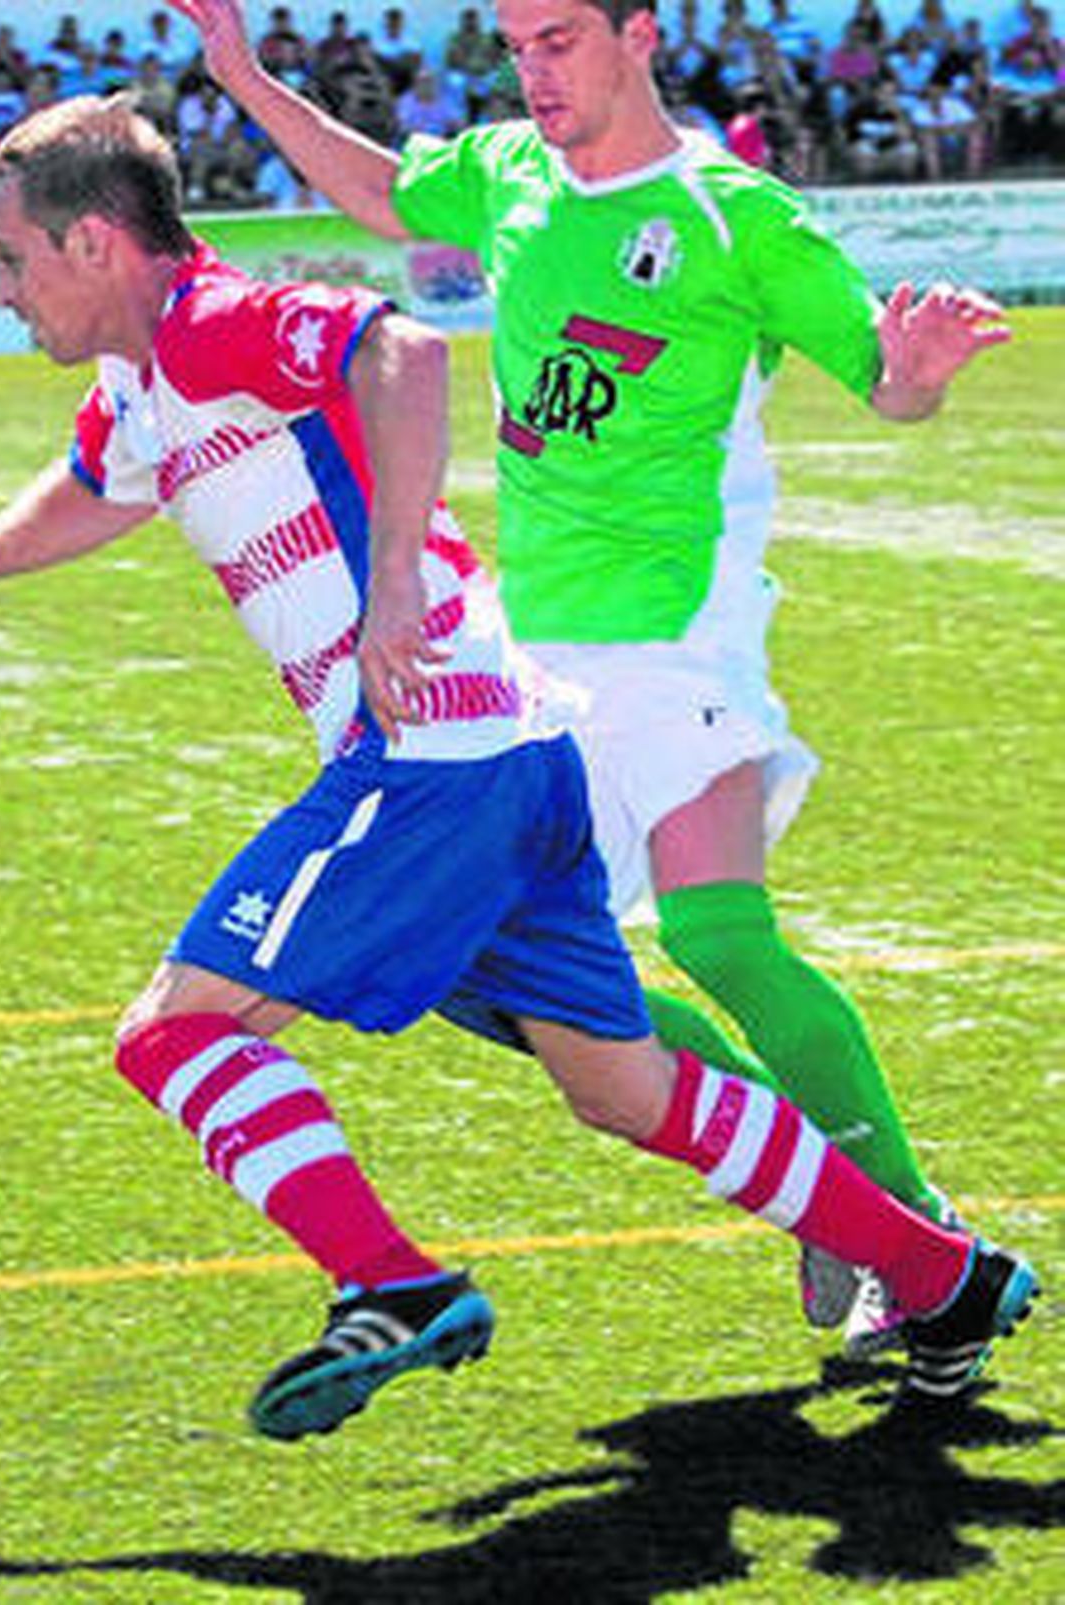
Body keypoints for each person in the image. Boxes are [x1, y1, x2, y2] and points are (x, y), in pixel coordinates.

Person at [0, 95, 1037, 1439]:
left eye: (10, 258)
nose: (1, 291)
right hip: (512, 754)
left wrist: (394, 572)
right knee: (622, 1087)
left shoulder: (217, 323)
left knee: (176, 1033)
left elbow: (396, 351)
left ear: (98, 243)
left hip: (430, 760)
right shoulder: (143, 384)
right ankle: (945, 1276)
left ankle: (390, 1282)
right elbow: (98, 483)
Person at [167, 0, 1019, 1353]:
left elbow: (884, 376)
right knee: (511, 983)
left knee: (718, 934)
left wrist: (915, 375)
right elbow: (389, 194)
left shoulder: (738, 219)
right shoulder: (510, 175)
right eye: (515, 45)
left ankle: (913, 1235)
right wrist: (247, 78)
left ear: (639, 32)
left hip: (682, 633)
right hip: (524, 658)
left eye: (559, 38)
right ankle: (846, 1209)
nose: (533, 70)